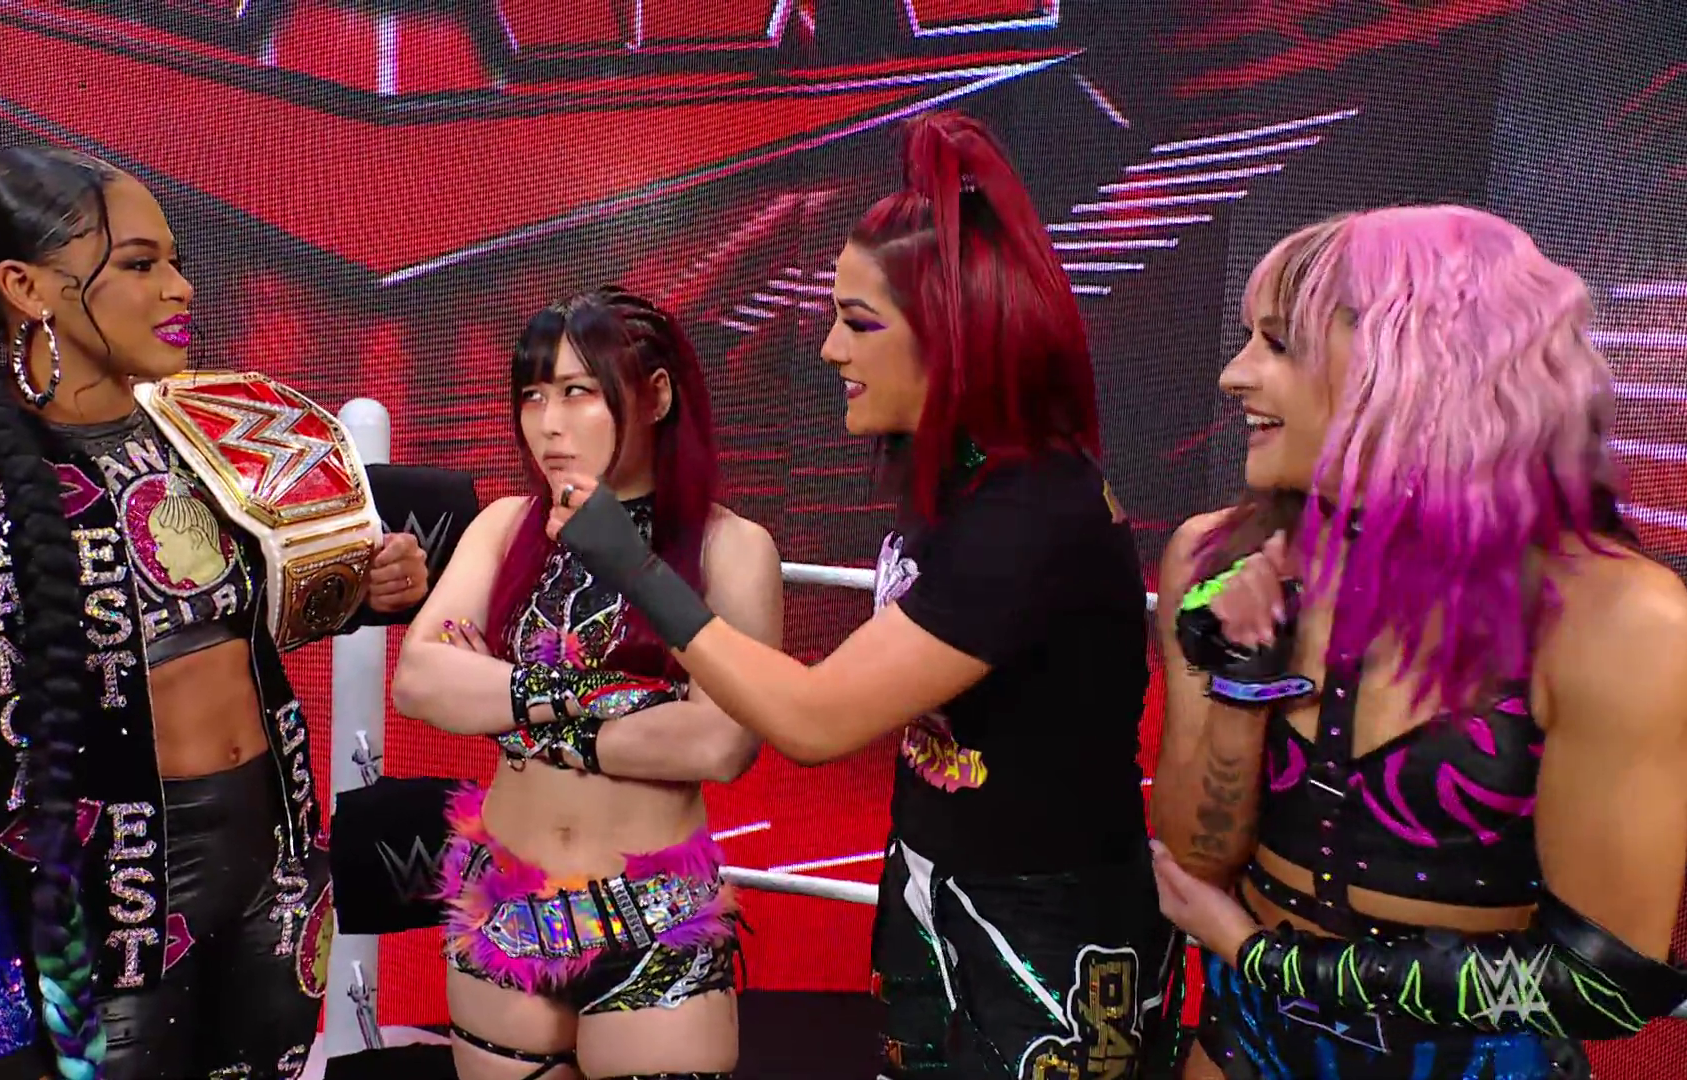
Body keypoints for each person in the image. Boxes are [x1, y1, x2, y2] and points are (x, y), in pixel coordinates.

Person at [542, 111, 1178, 1079]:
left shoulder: (1030, 513)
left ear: (957, 338)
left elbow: (814, 717)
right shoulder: (969, 490)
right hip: (940, 900)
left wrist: (636, 570)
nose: (831, 349)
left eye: (859, 322)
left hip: (1045, 942)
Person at [0, 145, 429, 1080]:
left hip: (277, 882)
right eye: (141, 265)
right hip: (91, 933)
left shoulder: (220, 443)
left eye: (176, 262)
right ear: (26, 287)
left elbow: (229, 617)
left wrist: (360, 586)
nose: (180, 289)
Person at [1146, 206, 1687, 1080]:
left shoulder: (1619, 618)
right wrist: (1244, 682)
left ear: (1420, 367)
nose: (1234, 375)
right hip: (1243, 1043)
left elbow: (1603, 986)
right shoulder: (1219, 557)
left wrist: (1266, 958)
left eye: (1279, 344)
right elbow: (1195, 863)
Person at [390, 285, 783, 1080]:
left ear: (658, 396)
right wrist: (629, 701)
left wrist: (507, 703)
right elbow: (420, 680)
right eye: (533, 396)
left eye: (578, 392)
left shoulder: (731, 549)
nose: (548, 423)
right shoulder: (504, 526)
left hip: (655, 930)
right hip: (502, 917)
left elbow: (719, 742)